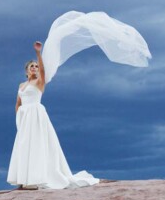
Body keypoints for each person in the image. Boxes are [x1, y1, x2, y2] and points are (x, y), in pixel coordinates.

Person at [6, 40, 99, 190]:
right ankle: (24, 179)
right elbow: (18, 103)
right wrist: (20, 119)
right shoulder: (21, 85)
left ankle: (36, 179)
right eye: (32, 66)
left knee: (37, 145)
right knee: (24, 146)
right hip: (25, 119)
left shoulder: (39, 82)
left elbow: (43, 71)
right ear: (26, 71)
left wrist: (38, 53)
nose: (35, 68)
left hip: (37, 116)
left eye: (36, 66)